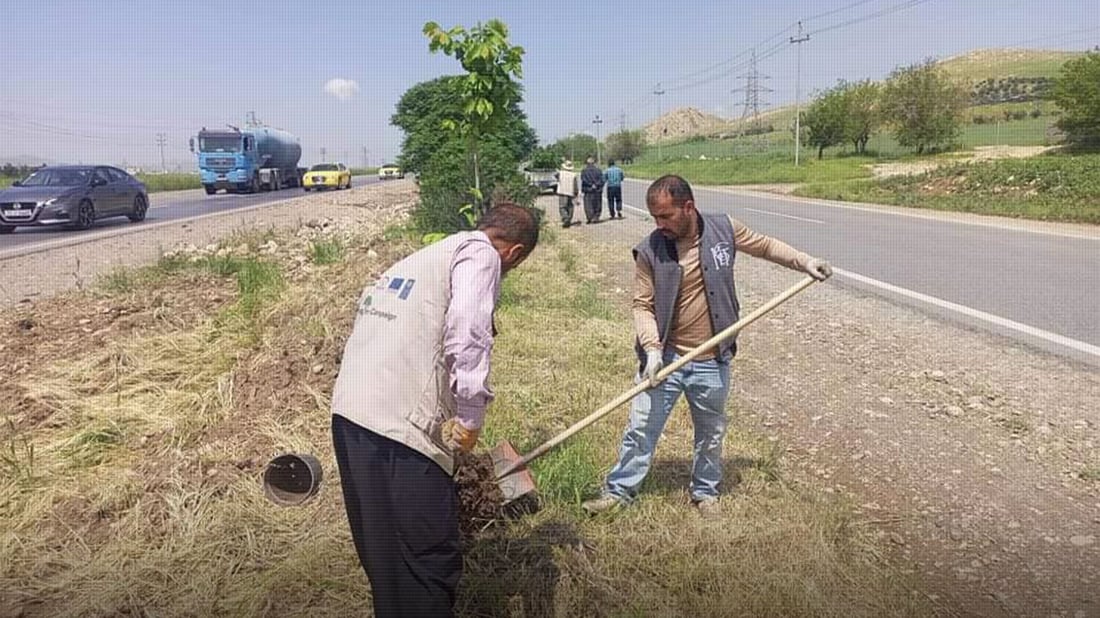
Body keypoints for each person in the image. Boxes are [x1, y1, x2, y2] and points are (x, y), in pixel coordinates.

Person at [331, 203, 539, 617]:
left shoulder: (427, 256)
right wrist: (469, 416)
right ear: (514, 253)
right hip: (399, 427)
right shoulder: (481, 255)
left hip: (351, 415)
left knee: (385, 555)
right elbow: (468, 332)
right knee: (430, 559)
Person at [581, 175, 832, 519]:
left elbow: (765, 245)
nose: (660, 225)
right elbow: (642, 305)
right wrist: (652, 349)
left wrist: (804, 261)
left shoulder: (724, 229)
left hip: (712, 359)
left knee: (711, 432)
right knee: (641, 427)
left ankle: (705, 492)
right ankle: (619, 491)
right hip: (666, 358)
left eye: (666, 216)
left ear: (689, 207)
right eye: (655, 217)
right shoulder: (650, 250)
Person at [555, 159, 579, 228]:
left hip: (562, 192)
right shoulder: (574, 175)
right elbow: (575, 185)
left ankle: (565, 218)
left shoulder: (560, 173)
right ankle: (569, 218)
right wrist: (576, 193)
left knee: (562, 206)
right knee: (570, 206)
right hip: (570, 192)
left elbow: (555, 175)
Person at [580, 156, 604, 224]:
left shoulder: (584, 171)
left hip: (588, 190)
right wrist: (596, 185)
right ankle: (596, 217)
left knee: (588, 204)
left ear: (587, 163)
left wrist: (590, 185)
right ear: (594, 163)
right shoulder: (599, 170)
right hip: (597, 190)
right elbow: (601, 180)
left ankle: (590, 217)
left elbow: (583, 180)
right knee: (597, 204)